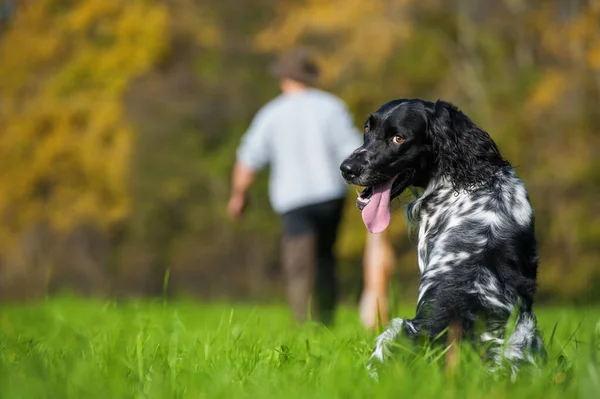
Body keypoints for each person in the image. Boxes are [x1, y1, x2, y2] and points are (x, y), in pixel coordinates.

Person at [227, 48, 362, 325]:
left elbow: (248, 159)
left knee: (299, 266)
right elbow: (353, 151)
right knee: (325, 259)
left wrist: (238, 195)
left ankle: (304, 325)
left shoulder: (271, 114)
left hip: (294, 199)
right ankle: (326, 321)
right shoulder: (331, 106)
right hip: (330, 195)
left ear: (284, 78)